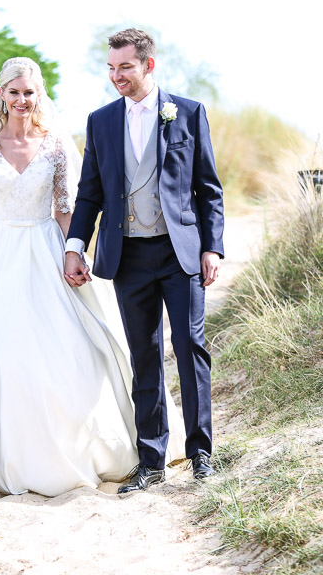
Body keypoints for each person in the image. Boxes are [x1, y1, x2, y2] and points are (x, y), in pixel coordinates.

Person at [0, 57, 186, 497]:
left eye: (30, 92)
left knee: (68, 348)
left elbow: (68, 207)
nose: (22, 100)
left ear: (39, 94)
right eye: (14, 92)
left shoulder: (53, 146)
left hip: (47, 250)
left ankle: (83, 449)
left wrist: (75, 253)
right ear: (2, 95)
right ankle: (1, 452)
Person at [64, 29, 225, 493]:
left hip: (181, 252)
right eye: (111, 69)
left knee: (191, 348)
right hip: (128, 254)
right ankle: (152, 460)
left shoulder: (188, 113)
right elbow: (89, 193)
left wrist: (211, 246)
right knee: (144, 354)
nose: (116, 77)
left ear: (148, 66)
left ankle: (201, 455)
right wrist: (75, 245)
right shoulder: (100, 122)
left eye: (125, 68)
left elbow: (208, 188)